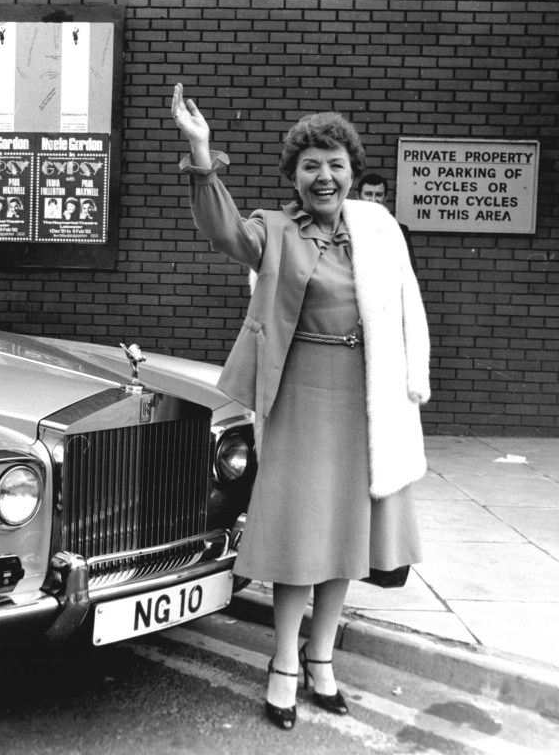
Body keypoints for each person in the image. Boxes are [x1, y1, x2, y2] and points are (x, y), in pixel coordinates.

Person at [171, 83, 430, 732]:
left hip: (362, 401)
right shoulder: (277, 231)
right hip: (299, 398)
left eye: (336, 163)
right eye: (311, 164)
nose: (325, 175)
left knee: (346, 538)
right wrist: (201, 154)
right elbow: (223, 231)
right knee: (298, 539)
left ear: (353, 173)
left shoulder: (376, 234)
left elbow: (404, 316)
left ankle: (322, 661)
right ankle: (283, 663)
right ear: (293, 175)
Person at [357, 173, 418, 274]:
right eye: (368, 194)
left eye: (378, 195)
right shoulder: (344, 227)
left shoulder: (400, 230)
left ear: (385, 199)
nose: (373, 199)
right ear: (358, 197)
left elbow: (410, 270)